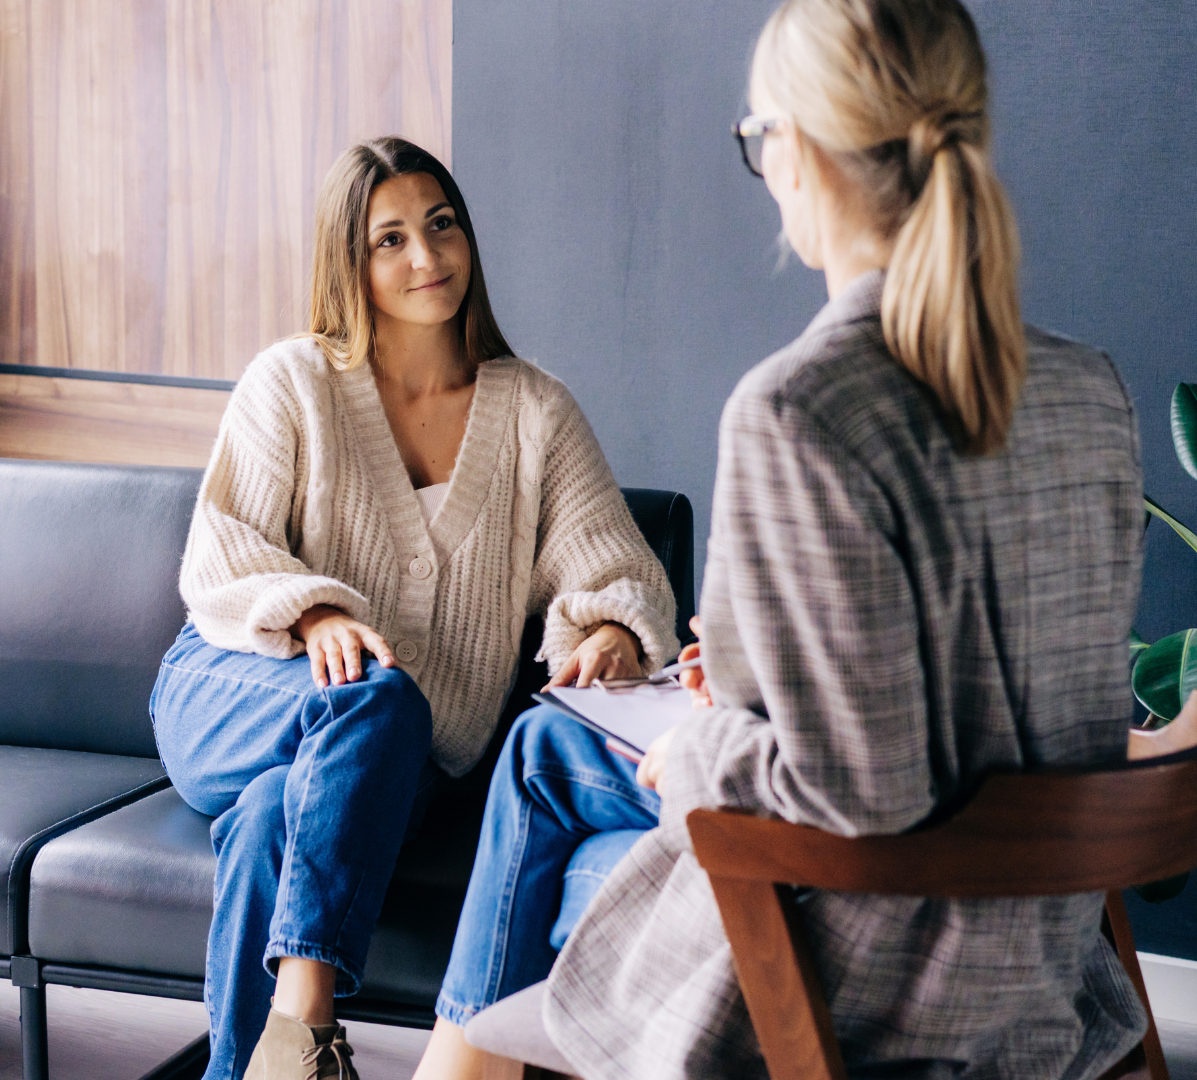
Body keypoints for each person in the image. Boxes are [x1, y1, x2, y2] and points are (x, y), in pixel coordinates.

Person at [415, 0, 1151, 1077]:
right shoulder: (1089, 391)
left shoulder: (801, 408)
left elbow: (864, 792)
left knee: (565, 857)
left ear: (796, 150)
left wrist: (704, 747)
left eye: (757, 139)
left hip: (876, 968)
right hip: (1044, 955)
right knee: (550, 749)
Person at [152, 136, 679, 1080]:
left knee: (282, 811)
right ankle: (308, 1026)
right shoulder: (295, 380)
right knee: (379, 697)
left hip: (406, 756)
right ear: (348, 262)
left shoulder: (535, 414)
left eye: (440, 227)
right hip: (238, 690)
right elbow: (220, 552)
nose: (425, 258)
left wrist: (604, 627)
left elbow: (616, 565)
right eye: (388, 239)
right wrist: (314, 615)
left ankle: (261, 1065)